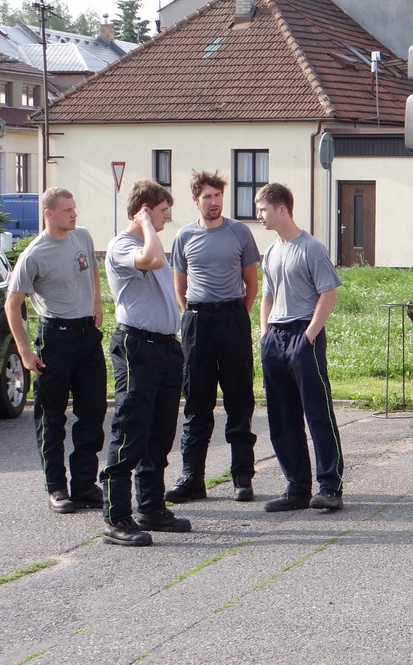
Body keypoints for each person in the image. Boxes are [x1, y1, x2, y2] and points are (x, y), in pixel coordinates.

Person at [99, 180, 191, 547]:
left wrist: (150, 227)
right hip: (138, 346)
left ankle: (151, 507)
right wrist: (146, 226)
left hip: (166, 348)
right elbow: (152, 260)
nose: (168, 216)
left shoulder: (149, 242)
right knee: (130, 430)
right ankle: (116, 517)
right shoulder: (123, 245)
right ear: (144, 210)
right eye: (163, 210)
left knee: (160, 433)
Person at [4, 188, 107, 514]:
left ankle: (85, 484)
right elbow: (12, 304)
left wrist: (96, 301)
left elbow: (92, 267)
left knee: (93, 412)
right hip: (56, 337)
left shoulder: (82, 236)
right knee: (52, 417)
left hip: (87, 336)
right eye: (67, 210)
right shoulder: (34, 254)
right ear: (48, 214)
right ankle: (56, 487)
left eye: (74, 208)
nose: (74, 215)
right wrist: (24, 352)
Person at [166, 170, 260, 504]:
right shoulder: (184, 236)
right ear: (196, 200)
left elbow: (251, 283)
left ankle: (242, 477)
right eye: (207, 196)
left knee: (239, 399)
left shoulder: (239, 232)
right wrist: (195, 314)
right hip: (197, 322)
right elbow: (180, 285)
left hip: (232, 318)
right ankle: (192, 477)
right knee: (196, 401)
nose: (214, 202)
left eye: (218, 195)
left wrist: (234, 315)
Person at [254, 183, 345, 513]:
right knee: (282, 415)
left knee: (317, 412)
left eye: (263, 209)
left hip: (302, 334)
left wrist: (308, 336)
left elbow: (328, 294)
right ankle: (297, 487)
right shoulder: (271, 251)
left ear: (282, 209)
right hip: (275, 337)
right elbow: (267, 296)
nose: (259, 215)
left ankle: (329, 486)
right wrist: (265, 334)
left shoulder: (311, 248)